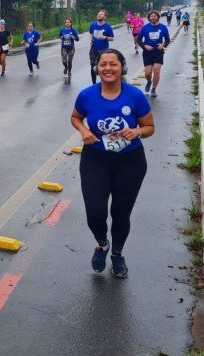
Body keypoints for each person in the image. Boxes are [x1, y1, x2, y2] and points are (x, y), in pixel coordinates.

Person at [70, 48, 155, 278]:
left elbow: (150, 128)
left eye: (113, 64)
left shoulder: (134, 96)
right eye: (103, 64)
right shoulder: (87, 95)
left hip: (130, 162)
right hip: (95, 160)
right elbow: (75, 117)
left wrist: (136, 131)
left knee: (120, 213)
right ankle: (102, 244)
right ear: (97, 69)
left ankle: (117, 253)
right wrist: (84, 130)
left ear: (121, 68)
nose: (107, 68)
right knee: (95, 213)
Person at [137, 10, 171, 98]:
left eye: (155, 16)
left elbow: (167, 40)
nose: (153, 17)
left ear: (158, 17)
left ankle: (154, 89)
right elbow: (139, 39)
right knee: (148, 73)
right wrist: (145, 46)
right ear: (149, 18)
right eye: (151, 16)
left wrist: (163, 45)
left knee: (156, 70)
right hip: (147, 52)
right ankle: (149, 81)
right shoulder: (145, 28)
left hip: (158, 52)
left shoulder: (163, 27)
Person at [89, 9, 115, 84]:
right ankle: (94, 84)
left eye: (101, 14)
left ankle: (103, 83)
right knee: (93, 67)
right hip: (93, 49)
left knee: (103, 67)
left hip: (104, 51)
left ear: (105, 17)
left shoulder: (107, 27)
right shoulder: (93, 25)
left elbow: (112, 38)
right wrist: (90, 40)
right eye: (98, 14)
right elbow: (90, 32)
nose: (98, 15)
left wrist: (105, 38)